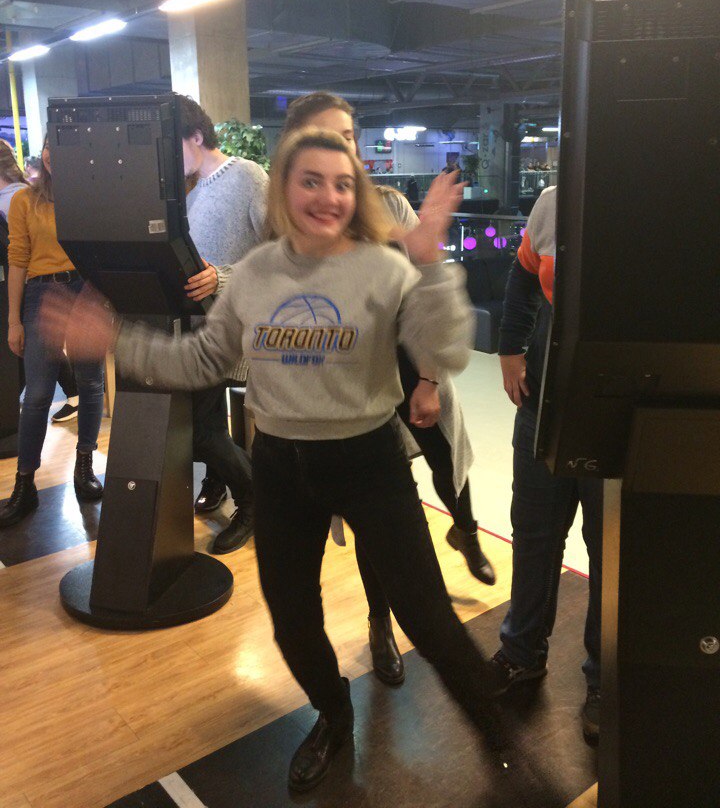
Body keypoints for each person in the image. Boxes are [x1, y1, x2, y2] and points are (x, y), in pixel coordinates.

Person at [43, 129, 506, 794]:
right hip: (283, 466)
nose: (328, 196)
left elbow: (448, 349)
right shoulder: (258, 275)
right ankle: (334, 715)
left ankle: (501, 740)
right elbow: (202, 359)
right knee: (292, 620)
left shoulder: (382, 269)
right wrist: (117, 339)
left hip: (370, 461)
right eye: (310, 180)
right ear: (283, 191)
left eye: (342, 183)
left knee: (429, 619)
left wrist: (431, 261)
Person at [281, 93, 495, 688]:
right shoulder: (289, 228)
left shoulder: (389, 207)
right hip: (352, 396)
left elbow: (423, 303)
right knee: (372, 516)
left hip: (410, 366)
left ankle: (466, 529)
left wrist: (428, 378)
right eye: (325, 136)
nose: (341, 147)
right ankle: (380, 624)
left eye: (348, 135)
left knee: (447, 459)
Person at [491, 184, 603, 740]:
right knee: (535, 531)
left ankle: (605, 677)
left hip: (617, 403)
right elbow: (521, 275)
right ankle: (522, 651)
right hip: (545, 397)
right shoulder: (557, 201)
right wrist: (510, 348)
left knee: (611, 548)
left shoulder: (661, 200)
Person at [1, 135, 105, 528]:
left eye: (60, 145)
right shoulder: (24, 200)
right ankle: (24, 483)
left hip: (86, 288)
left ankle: (84, 465)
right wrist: (14, 320)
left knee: (90, 382)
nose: (51, 153)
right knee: (38, 393)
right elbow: (17, 260)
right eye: (48, 144)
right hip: (40, 291)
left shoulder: (89, 199)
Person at [180, 94, 268, 554]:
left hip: (234, 326)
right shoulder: (195, 191)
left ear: (196, 136)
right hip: (202, 328)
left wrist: (223, 276)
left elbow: (283, 252)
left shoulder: (248, 177)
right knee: (203, 426)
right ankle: (221, 484)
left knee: (199, 431)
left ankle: (256, 502)